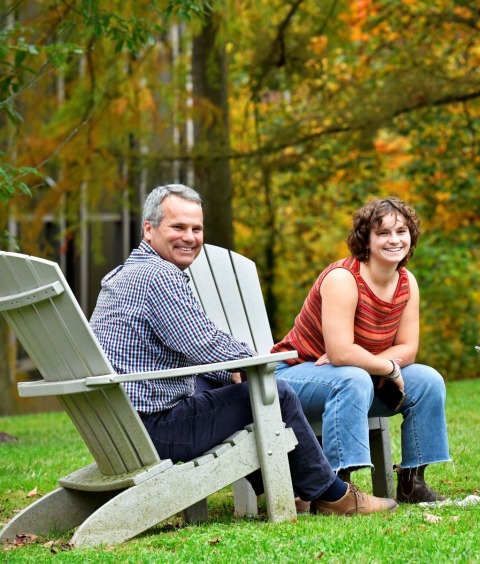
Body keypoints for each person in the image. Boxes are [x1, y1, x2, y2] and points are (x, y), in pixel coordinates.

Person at [89, 183, 397, 516]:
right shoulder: (157, 275)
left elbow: (193, 347)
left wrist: (230, 373)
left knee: (232, 385)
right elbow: (201, 342)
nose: (189, 237)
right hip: (155, 431)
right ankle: (333, 496)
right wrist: (248, 362)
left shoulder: (125, 273)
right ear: (149, 230)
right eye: (178, 227)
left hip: (120, 428)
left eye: (196, 228)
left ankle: (291, 488)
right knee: (273, 394)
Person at [271, 197, 450, 503]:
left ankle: (412, 482)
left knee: (427, 380)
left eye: (402, 231)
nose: (394, 240)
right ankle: (336, 492)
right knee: (352, 377)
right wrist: (386, 368)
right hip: (291, 376)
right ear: (365, 239)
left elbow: (408, 348)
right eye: (383, 233)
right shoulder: (343, 278)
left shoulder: (407, 282)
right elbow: (341, 354)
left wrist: (368, 362)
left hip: (354, 377)